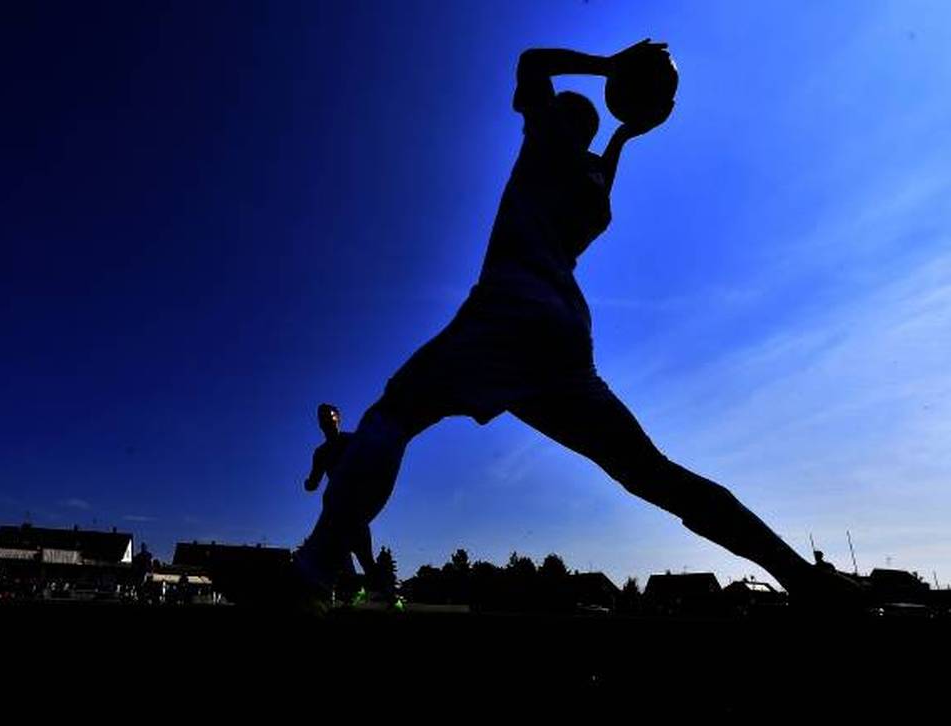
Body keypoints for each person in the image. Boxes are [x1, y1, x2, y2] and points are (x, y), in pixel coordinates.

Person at [294, 40, 855, 604]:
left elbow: (532, 62)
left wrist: (612, 65)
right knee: (651, 472)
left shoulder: (545, 139)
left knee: (394, 414)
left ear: (560, 119)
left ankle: (314, 570)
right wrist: (624, 132)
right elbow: (605, 168)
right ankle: (801, 577)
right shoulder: (594, 197)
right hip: (564, 336)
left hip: (506, 311)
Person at [303, 403, 377, 600]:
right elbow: (313, 482)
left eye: (329, 415)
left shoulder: (352, 441)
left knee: (363, 553)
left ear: (338, 417)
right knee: (339, 548)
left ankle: (385, 594)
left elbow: (370, 461)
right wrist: (308, 484)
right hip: (335, 505)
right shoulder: (321, 453)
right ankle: (354, 587)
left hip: (353, 503)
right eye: (322, 417)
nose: (325, 419)